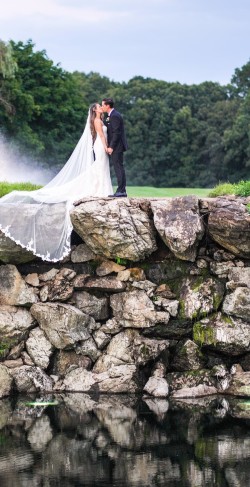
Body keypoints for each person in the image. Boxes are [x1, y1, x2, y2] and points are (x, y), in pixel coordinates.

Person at [0, 103, 113, 262]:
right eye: (98, 106)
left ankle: (101, 188)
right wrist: (107, 147)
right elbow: (101, 135)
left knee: (101, 168)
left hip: (100, 146)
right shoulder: (97, 121)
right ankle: (100, 189)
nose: (101, 107)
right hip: (101, 146)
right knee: (100, 167)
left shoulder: (101, 119)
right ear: (94, 110)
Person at [102, 98, 128, 197]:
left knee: (119, 167)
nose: (102, 107)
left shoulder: (115, 116)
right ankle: (122, 190)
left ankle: (121, 191)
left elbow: (116, 133)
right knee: (118, 167)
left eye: (103, 105)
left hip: (117, 146)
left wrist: (111, 147)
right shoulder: (111, 115)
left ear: (108, 106)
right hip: (116, 146)